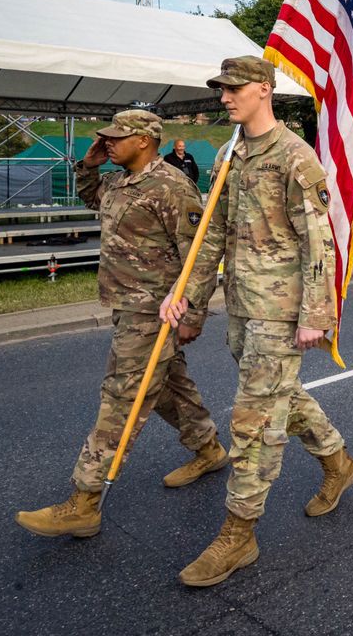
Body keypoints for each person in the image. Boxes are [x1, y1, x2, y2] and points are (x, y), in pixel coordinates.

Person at [162, 56, 353, 588]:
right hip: (242, 305)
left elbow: (318, 240)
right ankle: (338, 462)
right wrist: (191, 300)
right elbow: (212, 234)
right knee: (281, 396)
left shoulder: (294, 155)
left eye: (235, 88)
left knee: (253, 418)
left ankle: (239, 532)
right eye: (221, 89)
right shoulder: (230, 154)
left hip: (281, 310)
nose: (225, 97)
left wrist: (315, 314)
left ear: (265, 90)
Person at [16, 109, 224, 540]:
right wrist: (88, 166)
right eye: (106, 137)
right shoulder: (118, 182)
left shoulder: (172, 186)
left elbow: (199, 255)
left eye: (116, 137)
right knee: (167, 388)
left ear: (145, 140)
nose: (107, 142)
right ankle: (208, 448)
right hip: (127, 305)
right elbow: (92, 198)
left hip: (155, 311)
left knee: (122, 397)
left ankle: (85, 501)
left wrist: (193, 313)